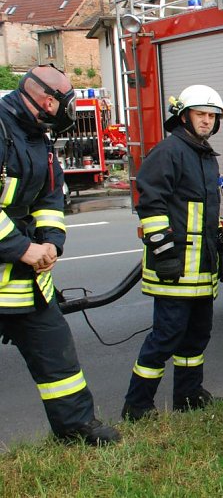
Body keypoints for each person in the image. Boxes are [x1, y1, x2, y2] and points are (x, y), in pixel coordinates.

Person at [0, 64, 120, 445]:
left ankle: (75, 427)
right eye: (66, 103)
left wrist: (51, 242)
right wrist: (22, 248)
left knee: (56, 352)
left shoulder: (37, 137)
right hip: (17, 258)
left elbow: (50, 197)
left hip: (24, 281)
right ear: (48, 101)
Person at [121, 84, 223, 421]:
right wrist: (164, 253)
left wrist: (221, 249)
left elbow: (209, 211)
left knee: (197, 337)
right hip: (174, 268)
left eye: (212, 117)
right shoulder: (169, 152)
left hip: (201, 269)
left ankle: (188, 394)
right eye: (201, 115)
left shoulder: (205, 156)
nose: (207, 122)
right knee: (166, 337)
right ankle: (137, 405)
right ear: (183, 116)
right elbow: (150, 204)